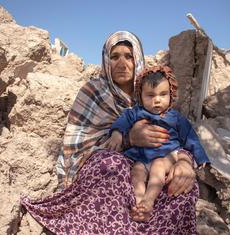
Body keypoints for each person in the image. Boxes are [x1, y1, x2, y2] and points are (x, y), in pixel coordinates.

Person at [21, 31, 200, 234]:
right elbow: (79, 149)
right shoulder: (93, 92)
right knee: (111, 166)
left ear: (138, 59)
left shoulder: (155, 94)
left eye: (129, 56)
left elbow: (181, 137)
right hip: (118, 166)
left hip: (158, 164)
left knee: (183, 185)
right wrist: (129, 139)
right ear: (106, 60)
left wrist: (185, 162)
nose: (122, 63)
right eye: (114, 56)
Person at [105, 65, 210, 222]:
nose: (157, 100)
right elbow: (122, 122)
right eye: (150, 95)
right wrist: (117, 134)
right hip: (141, 157)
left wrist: (201, 157)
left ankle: (149, 200)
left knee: (158, 168)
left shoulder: (175, 118)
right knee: (137, 172)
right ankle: (140, 205)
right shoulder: (135, 112)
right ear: (140, 96)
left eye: (163, 94)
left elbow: (190, 137)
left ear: (171, 94)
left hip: (166, 155)